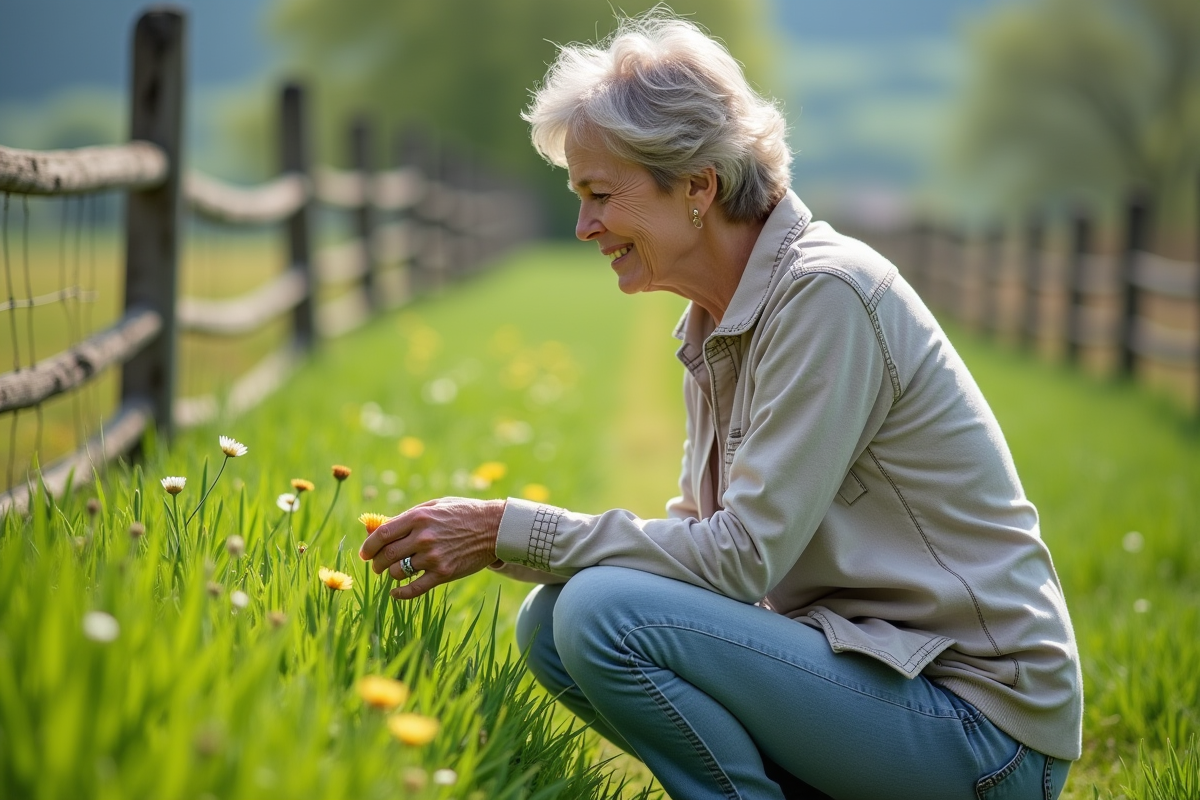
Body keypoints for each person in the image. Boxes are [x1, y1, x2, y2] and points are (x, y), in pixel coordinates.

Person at [358, 11, 1082, 799]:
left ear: (699, 185)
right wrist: (515, 542)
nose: (583, 225)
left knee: (603, 611)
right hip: (880, 686)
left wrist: (506, 528)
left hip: (985, 734)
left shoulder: (828, 296)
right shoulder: (716, 320)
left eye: (600, 194)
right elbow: (703, 551)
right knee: (554, 622)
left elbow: (738, 560)